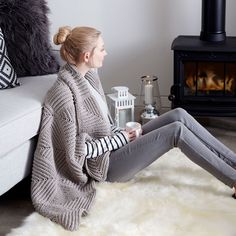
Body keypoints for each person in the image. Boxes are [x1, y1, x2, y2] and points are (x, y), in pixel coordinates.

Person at [31, 26, 236, 231]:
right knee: (176, 131)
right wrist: (122, 139)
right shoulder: (64, 93)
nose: (106, 53)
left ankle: (233, 163)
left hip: (115, 145)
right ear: (87, 56)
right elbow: (78, 151)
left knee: (179, 114)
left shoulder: (89, 77)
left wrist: (122, 133)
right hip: (106, 166)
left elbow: (103, 123)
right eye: (102, 49)